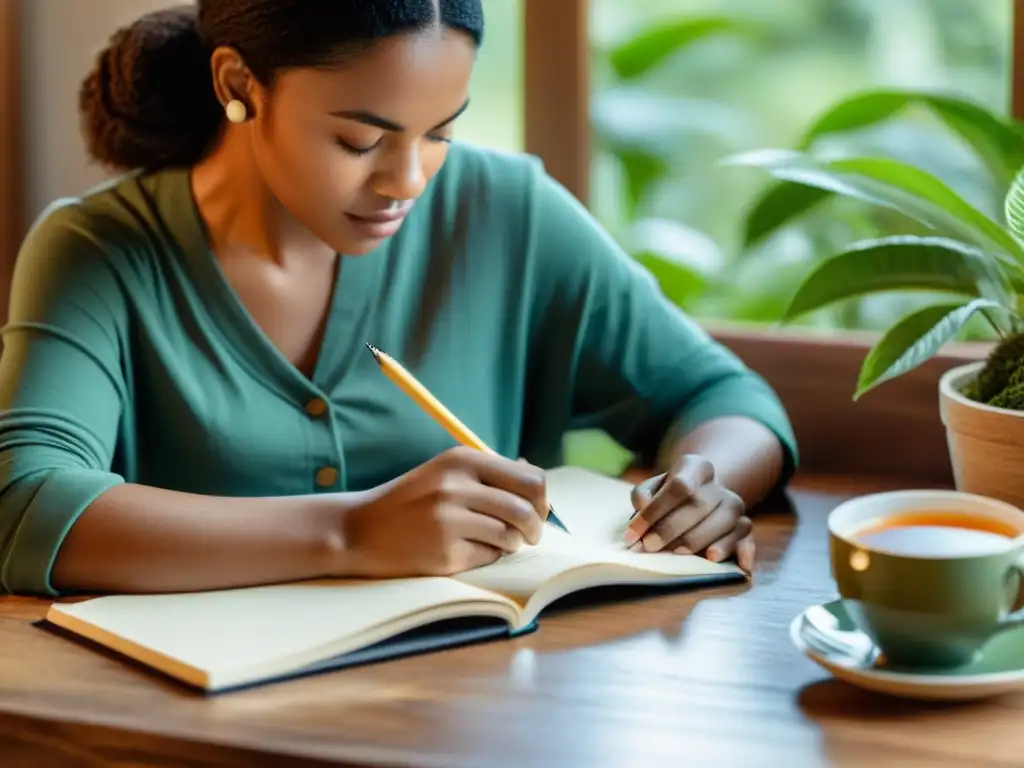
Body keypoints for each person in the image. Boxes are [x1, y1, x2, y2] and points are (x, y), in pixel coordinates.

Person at [0, 0, 797, 598]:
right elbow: (23, 498)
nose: (407, 181)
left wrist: (705, 482)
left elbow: (722, 395)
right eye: (361, 140)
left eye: (441, 131)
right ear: (239, 84)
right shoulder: (101, 250)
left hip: (470, 715)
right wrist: (351, 532)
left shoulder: (507, 212)